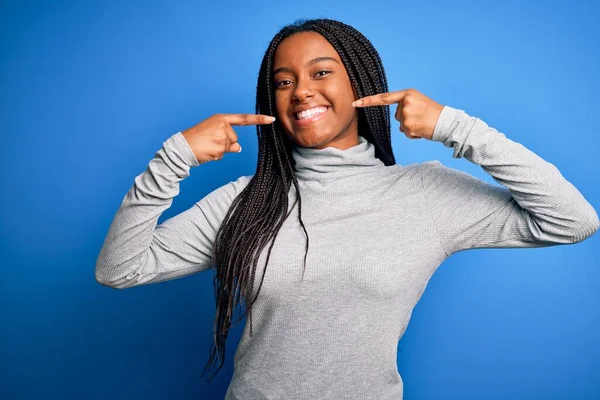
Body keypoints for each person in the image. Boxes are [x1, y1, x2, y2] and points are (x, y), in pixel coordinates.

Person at [95, 18, 599, 400]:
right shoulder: (245, 201)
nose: (302, 91)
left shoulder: (425, 194)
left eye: (321, 72)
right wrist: (175, 156)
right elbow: (120, 269)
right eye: (284, 80)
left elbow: (572, 219)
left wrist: (455, 128)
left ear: (359, 83)